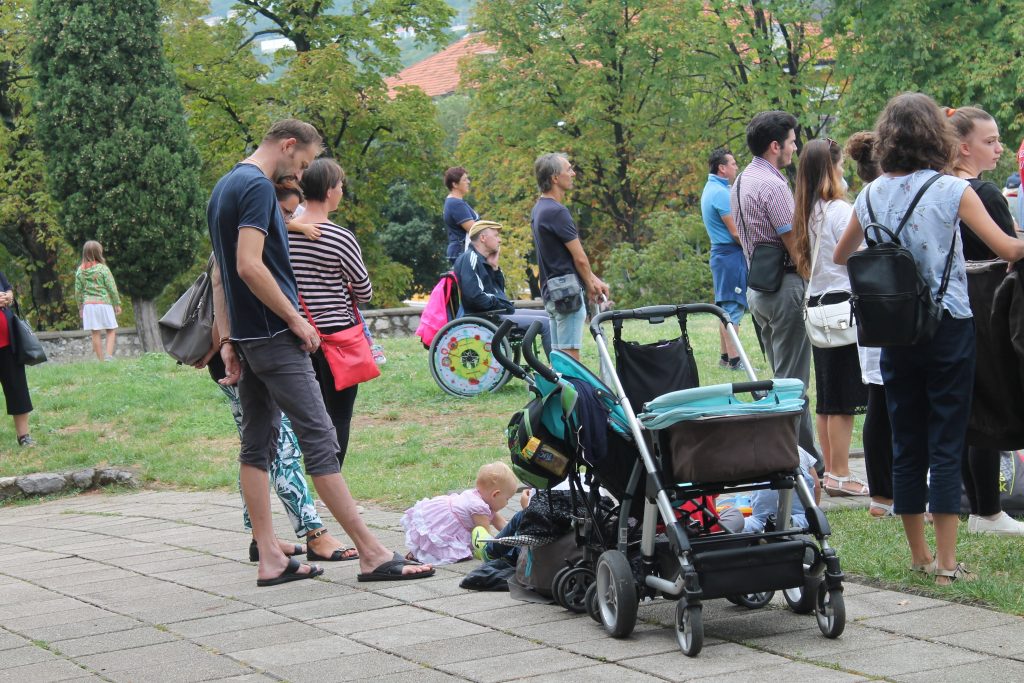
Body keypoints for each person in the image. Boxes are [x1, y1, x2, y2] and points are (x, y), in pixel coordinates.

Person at [208, 118, 433, 586]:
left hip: (249, 340)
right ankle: (372, 553)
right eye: (304, 161)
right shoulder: (254, 187)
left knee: (256, 444)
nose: (300, 173)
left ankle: (270, 556)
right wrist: (295, 319)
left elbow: (220, 276)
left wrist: (229, 340)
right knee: (320, 439)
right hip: (274, 337)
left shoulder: (225, 186)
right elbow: (248, 267)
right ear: (288, 145)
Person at [834, 93, 1024, 585]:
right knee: (947, 437)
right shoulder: (949, 190)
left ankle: (917, 556)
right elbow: (1007, 248)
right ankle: (945, 563)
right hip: (948, 327)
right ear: (936, 138)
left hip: (893, 332)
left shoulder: (870, 193)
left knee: (907, 437)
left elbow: (841, 255)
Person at [947, 106, 1024, 536]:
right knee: (989, 405)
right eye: (990, 141)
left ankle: (974, 504)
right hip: (988, 301)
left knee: (964, 407)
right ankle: (988, 510)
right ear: (963, 146)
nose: (999, 147)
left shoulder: (938, 187)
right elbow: (1011, 249)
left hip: (954, 302)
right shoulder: (983, 192)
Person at [729, 111, 820, 472]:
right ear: (775, 146)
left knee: (780, 379)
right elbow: (794, 243)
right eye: (793, 142)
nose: (795, 148)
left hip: (758, 290)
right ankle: (800, 462)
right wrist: (816, 278)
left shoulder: (740, 181)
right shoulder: (773, 185)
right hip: (785, 288)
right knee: (792, 385)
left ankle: (806, 459)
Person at [792, 139, 869, 497]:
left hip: (819, 308)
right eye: (839, 165)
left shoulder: (805, 212)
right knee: (844, 398)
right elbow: (859, 255)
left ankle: (830, 471)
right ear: (831, 169)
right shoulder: (840, 211)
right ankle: (840, 472)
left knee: (827, 396)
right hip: (844, 310)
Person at [290, 158, 371, 471]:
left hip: (295, 337)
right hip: (339, 341)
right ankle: (332, 487)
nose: (341, 191)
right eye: (340, 186)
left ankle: (303, 491)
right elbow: (364, 291)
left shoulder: (283, 235)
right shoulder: (340, 237)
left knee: (304, 417)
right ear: (328, 191)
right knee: (338, 416)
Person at [845, 131, 895, 518]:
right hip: (901, 306)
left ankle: (881, 495)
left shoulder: (864, 198)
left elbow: (840, 254)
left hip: (872, 308)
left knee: (877, 404)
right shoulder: (889, 192)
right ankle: (906, 491)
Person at [530, 153, 609, 361]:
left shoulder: (539, 209)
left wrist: (594, 280)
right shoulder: (557, 211)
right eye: (569, 169)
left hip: (552, 292)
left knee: (559, 358)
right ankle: (575, 394)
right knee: (570, 360)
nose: (573, 173)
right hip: (567, 295)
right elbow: (580, 258)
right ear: (555, 177)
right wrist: (590, 283)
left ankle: (561, 393)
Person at [452, 220, 552, 355]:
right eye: (496, 236)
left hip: (496, 313)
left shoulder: (484, 260)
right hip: (487, 317)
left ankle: (561, 366)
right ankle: (557, 372)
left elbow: (499, 293)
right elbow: (475, 297)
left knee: (550, 315)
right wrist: (497, 302)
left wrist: (495, 268)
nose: (499, 240)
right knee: (546, 324)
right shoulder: (470, 258)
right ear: (483, 238)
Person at [401, 461, 519, 565]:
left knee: (434, 541)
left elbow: (503, 525)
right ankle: (419, 554)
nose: (507, 504)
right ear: (495, 495)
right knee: (441, 544)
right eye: (507, 499)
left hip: (445, 512)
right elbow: (484, 536)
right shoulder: (479, 508)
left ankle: (417, 552)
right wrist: (499, 549)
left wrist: (517, 536)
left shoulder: (480, 497)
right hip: (446, 523)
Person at [700, 147, 748, 370]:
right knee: (733, 309)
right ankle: (736, 360)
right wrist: (752, 248)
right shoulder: (721, 194)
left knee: (725, 308)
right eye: (733, 163)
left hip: (720, 255)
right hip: (730, 255)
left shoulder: (711, 188)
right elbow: (736, 232)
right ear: (722, 168)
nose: (736, 167)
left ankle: (725, 357)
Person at [0, 272, 35, 447]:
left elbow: (8, 288)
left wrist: (8, 295)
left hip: (8, 341)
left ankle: (24, 436)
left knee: (17, 388)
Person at [75, 241, 121, 362]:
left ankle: (101, 361)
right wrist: (117, 303)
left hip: (88, 305)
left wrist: (80, 307)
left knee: (95, 332)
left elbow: (78, 291)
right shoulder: (103, 269)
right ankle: (109, 356)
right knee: (111, 330)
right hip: (104, 303)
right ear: (98, 252)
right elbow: (112, 287)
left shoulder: (80, 271)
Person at [443, 166, 479, 265]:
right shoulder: (455, 204)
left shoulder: (457, 202)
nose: (468, 182)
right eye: (464, 180)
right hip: (462, 252)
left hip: (462, 252)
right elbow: (474, 229)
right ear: (454, 184)